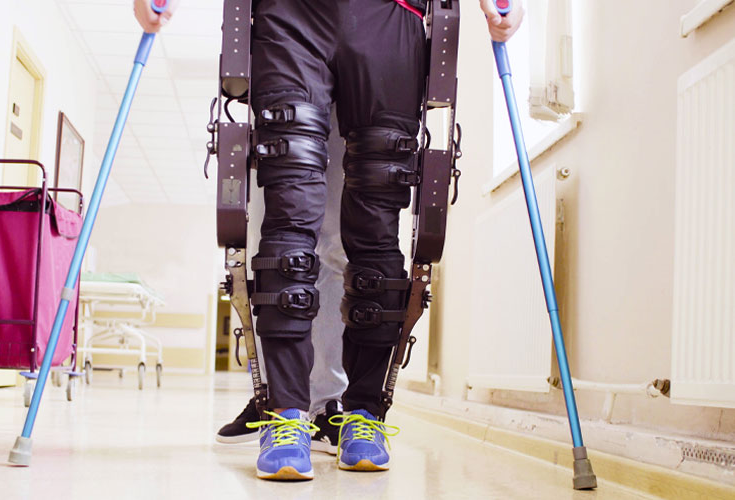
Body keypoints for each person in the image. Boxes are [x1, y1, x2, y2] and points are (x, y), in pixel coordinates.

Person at [135, 0, 523, 482]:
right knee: (289, 218)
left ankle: (363, 415)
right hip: (288, 15)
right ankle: (288, 415)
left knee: (377, 223)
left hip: (392, 15)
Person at [216, 112, 349, 456]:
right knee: (274, 251)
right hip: (281, 95)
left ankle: (327, 405)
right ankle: (273, 397)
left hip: (345, 106)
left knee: (336, 250)